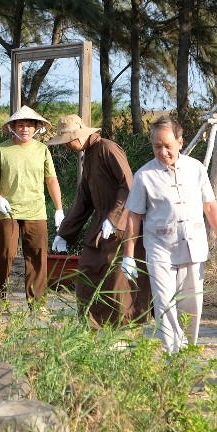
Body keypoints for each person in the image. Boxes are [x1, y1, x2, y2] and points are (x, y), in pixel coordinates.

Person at [123, 116, 217, 353]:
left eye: (168, 146)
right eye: (157, 146)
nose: (163, 152)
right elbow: (133, 216)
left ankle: (188, 350)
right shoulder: (144, 175)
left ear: (180, 142)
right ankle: (172, 351)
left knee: (191, 304)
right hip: (160, 248)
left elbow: (210, 206)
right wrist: (128, 255)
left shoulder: (196, 169)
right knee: (164, 303)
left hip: (193, 246)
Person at [48, 114, 151, 325]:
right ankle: (92, 324)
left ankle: (126, 326)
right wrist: (64, 233)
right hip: (101, 222)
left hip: (122, 223)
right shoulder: (88, 155)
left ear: (78, 136)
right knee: (88, 270)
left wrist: (114, 218)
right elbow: (83, 200)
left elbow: (128, 185)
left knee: (117, 278)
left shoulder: (107, 148)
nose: (66, 145)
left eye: (68, 140)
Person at [0, 106, 64, 305]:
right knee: (4, 255)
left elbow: (51, 179)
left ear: (36, 128)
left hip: (36, 210)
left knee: (37, 257)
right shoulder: (1, 150)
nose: (25, 129)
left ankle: (37, 304)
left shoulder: (42, 150)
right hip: (8, 211)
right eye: (21, 125)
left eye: (29, 125)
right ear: (13, 127)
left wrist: (59, 209)